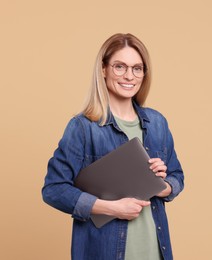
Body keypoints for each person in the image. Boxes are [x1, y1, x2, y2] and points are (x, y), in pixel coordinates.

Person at [42, 33, 184, 260]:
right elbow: (54, 189)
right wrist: (112, 208)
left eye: (137, 68)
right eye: (120, 66)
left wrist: (161, 184)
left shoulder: (157, 123)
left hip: (155, 251)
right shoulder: (83, 127)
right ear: (104, 69)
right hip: (104, 252)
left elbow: (177, 177)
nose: (129, 76)